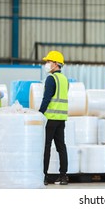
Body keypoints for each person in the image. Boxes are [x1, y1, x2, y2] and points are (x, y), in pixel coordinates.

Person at [39, 50, 69, 186]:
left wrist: (39, 113)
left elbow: (46, 99)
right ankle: (63, 176)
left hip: (50, 118)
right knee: (61, 147)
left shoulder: (51, 79)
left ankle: (43, 176)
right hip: (61, 118)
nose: (46, 64)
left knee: (46, 147)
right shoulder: (64, 79)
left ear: (56, 64)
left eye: (48, 62)